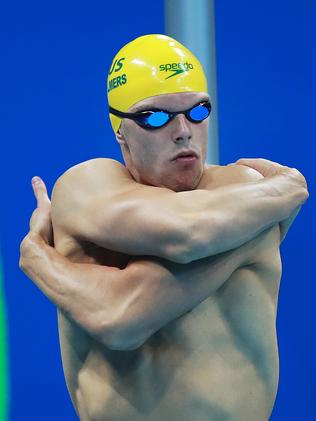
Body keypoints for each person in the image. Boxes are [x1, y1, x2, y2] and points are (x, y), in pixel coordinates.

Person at [19, 34, 308, 421]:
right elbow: (186, 236)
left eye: (198, 111)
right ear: (119, 129)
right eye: (156, 116)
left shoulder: (238, 188)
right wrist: (289, 187)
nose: (183, 130)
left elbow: (120, 314)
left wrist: (38, 256)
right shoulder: (87, 186)